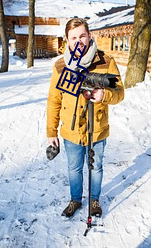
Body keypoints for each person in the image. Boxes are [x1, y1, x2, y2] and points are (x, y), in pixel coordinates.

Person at [46, 18, 124, 218]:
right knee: (74, 168)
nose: (78, 41)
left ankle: (95, 200)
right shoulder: (60, 65)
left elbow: (120, 93)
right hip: (71, 130)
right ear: (67, 40)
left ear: (89, 36)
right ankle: (75, 200)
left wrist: (104, 95)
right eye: (73, 37)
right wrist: (51, 132)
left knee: (95, 166)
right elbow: (54, 100)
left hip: (97, 127)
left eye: (82, 36)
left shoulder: (106, 61)